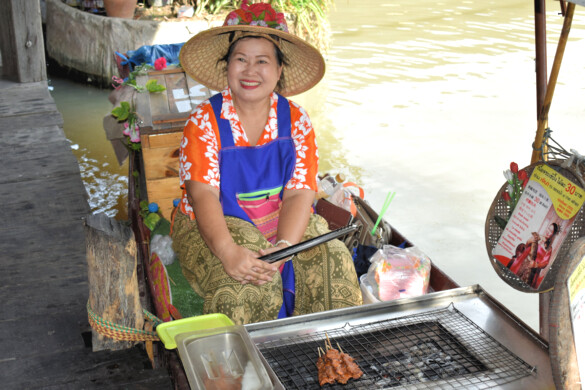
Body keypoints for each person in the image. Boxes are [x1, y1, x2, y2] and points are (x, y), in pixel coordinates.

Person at [171, 0, 362, 325]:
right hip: (216, 225)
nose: (250, 70)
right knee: (248, 286)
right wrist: (228, 251)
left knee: (335, 264)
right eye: (240, 59)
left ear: (279, 70)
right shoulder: (204, 121)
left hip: (281, 220)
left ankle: (323, 356)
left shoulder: (297, 120)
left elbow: (300, 193)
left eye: (262, 61)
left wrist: (286, 247)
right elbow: (203, 194)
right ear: (227, 66)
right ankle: (240, 373)